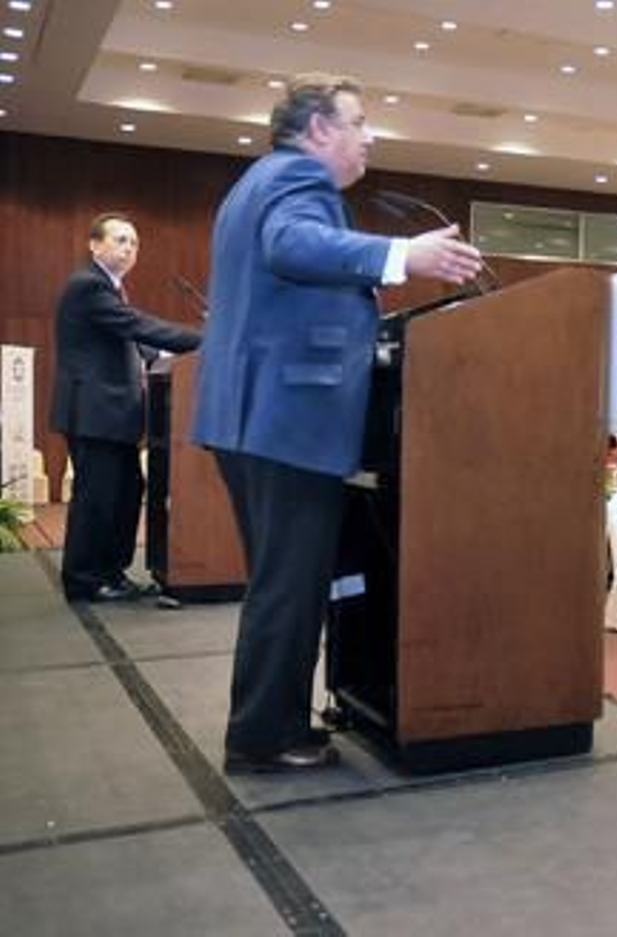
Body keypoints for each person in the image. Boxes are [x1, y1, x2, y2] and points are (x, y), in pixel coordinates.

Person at [192, 74, 483, 774]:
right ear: (319, 128)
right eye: (358, 121)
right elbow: (292, 247)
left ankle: (275, 721)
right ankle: (261, 734)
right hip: (286, 422)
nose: (369, 136)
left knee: (281, 583)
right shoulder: (299, 181)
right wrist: (399, 256)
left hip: (251, 417)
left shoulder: (256, 181)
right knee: (289, 586)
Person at [50, 213, 202, 602]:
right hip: (94, 411)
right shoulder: (88, 285)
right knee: (97, 497)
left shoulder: (111, 288)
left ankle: (111, 573)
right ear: (94, 244)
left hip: (112, 413)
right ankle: (83, 580)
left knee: (126, 491)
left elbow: (135, 342)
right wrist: (204, 339)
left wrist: (171, 350)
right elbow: (134, 326)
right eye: (120, 240)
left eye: (133, 242)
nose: (129, 248)